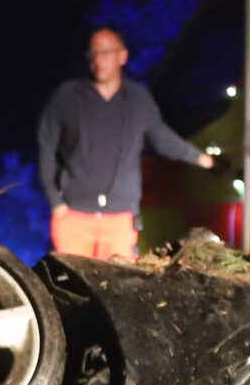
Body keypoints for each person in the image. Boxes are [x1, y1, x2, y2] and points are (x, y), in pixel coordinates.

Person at [36, 26, 216, 262]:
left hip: (120, 216)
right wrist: (55, 201)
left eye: (106, 52)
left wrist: (206, 161)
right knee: (70, 287)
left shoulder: (137, 99)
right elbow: (46, 143)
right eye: (94, 53)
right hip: (74, 215)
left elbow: (161, 137)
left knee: (116, 286)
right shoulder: (67, 96)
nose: (99, 60)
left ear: (122, 56)